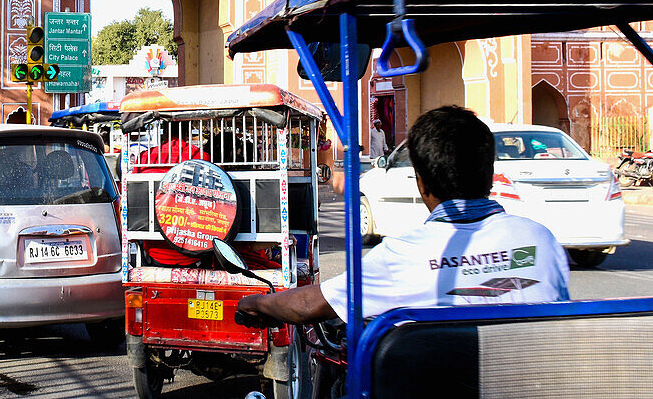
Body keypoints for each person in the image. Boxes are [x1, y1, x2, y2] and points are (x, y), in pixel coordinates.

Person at [238, 105, 570, 324]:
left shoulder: (403, 255)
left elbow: (309, 305)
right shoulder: (541, 240)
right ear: (490, 172)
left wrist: (256, 302)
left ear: (422, 183)